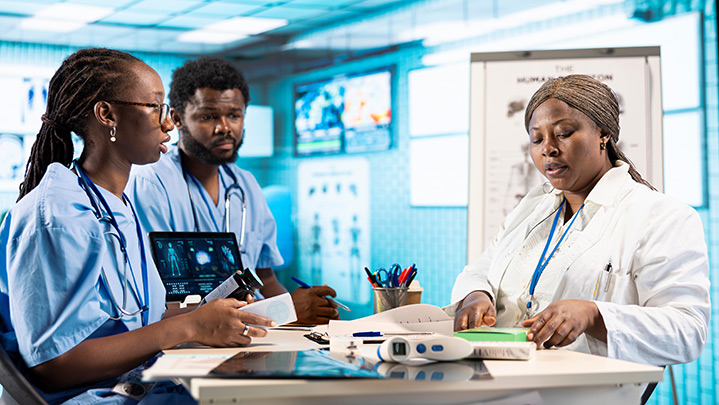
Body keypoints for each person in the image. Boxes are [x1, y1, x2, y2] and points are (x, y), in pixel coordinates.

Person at [0, 48, 275, 404]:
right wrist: (186, 326)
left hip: (138, 384)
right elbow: (54, 365)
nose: (169, 124)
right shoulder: (58, 216)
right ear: (107, 114)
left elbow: (132, 317)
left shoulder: (117, 206)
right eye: (155, 107)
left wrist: (211, 313)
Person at [449, 74, 710, 367]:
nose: (548, 148)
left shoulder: (661, 216)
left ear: (604, 134)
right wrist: (475, 295)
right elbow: (483, 266)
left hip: (581, 392)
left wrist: (594, 315)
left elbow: (688, 332)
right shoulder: (533, 206)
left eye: (563, 133)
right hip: (497, 376)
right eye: (537, 139)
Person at [126, 57, 340, 324]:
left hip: (251, 339)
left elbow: (267, 279)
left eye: (234, 115)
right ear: (178, 119)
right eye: (209, 116)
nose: (224, 127)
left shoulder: (246, 185)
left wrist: (303, 322)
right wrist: (288, 310)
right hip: (185, 345)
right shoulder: (151, 183)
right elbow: (155, 302)